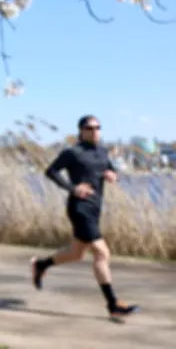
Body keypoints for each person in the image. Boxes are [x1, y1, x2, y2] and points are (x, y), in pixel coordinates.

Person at [30, 115, 138, 323]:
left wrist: (112, 175)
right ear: (81, 130)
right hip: (79, 209)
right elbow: (51, 171)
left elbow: (109, 169)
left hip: (95, 209)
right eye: (90, 128)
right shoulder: (73, 152)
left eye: (98, 127)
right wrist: (73, 188)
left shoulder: (101, 151)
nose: (95, 131)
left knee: (77, 253)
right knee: (102, 252)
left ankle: (41, 265)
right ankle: (113, 305)